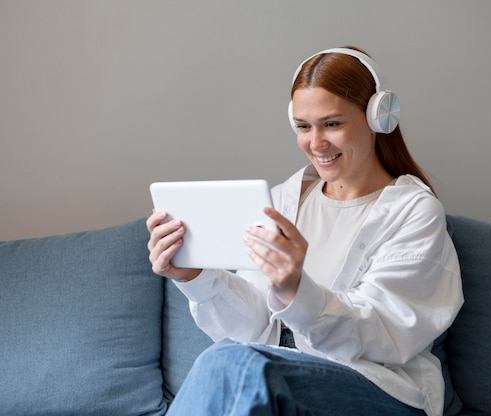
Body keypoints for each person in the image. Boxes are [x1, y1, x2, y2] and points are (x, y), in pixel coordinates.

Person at [146, 46, 464, 416]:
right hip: (284, 383)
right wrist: (195, 276)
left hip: (378, 389)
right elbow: (250, 329)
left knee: (234, 364)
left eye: (332, 124)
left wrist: (296, 289)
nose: (316, 143)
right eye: (303, 126)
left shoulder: (414, 212)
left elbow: (381, 335)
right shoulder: (281, 202)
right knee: (231, 358)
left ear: (379, 118)